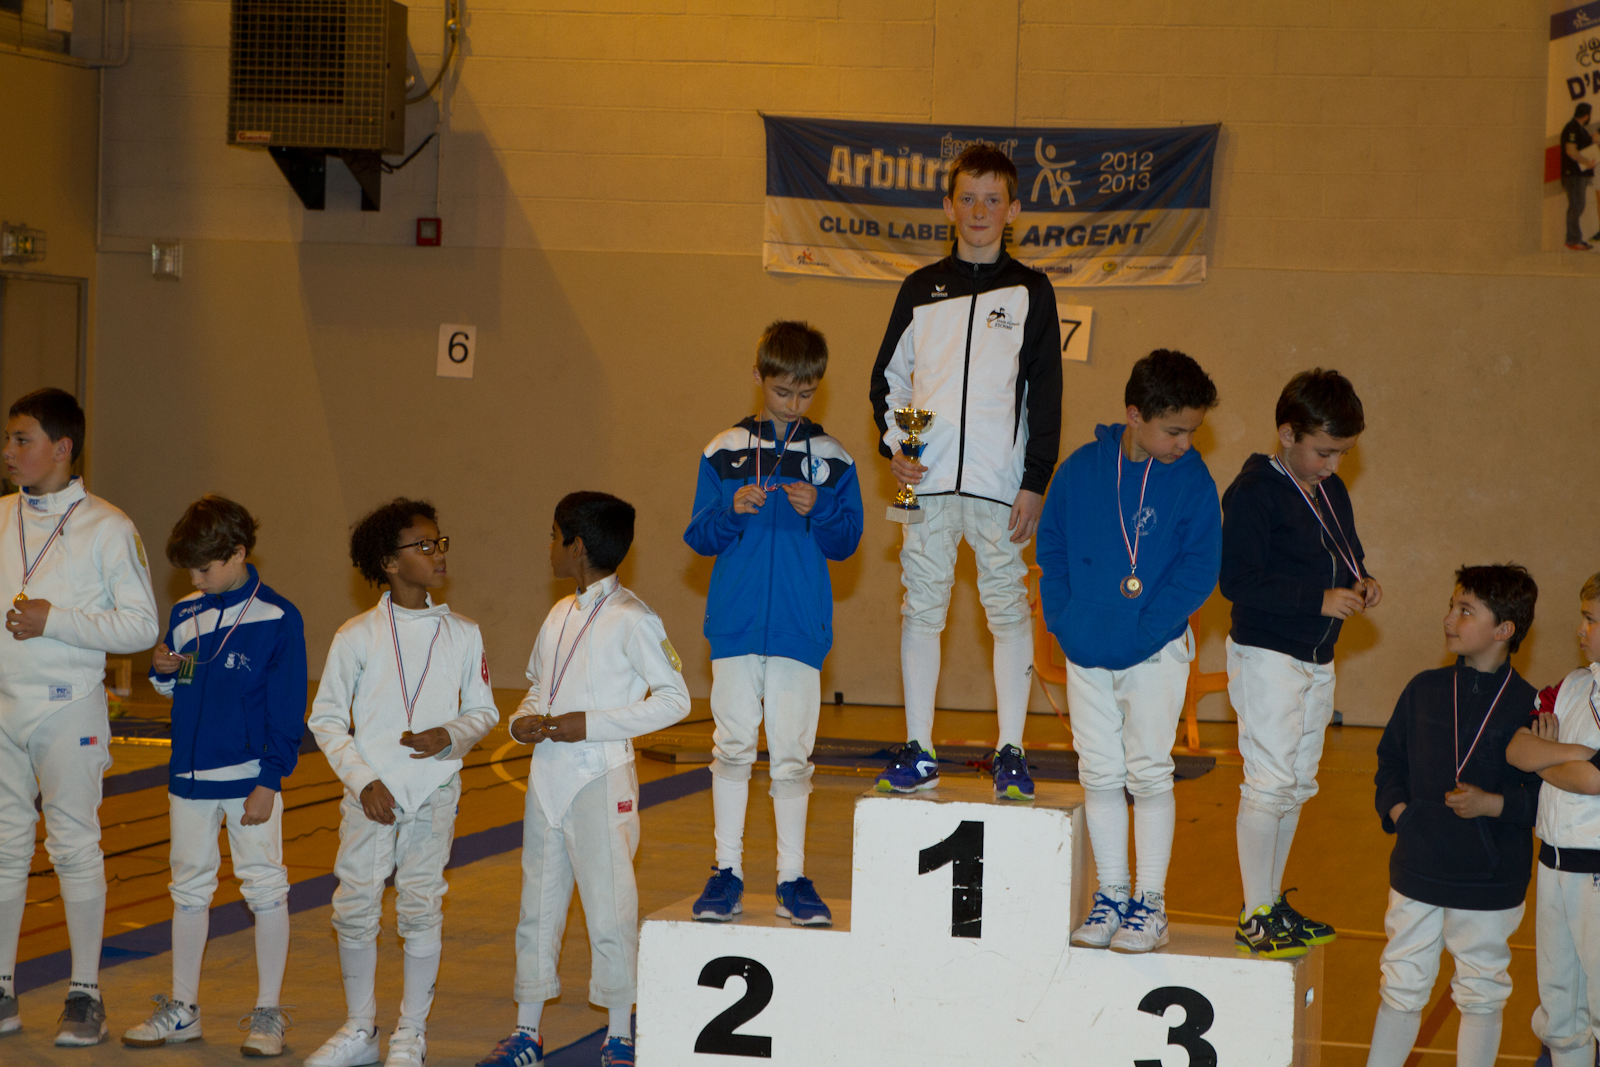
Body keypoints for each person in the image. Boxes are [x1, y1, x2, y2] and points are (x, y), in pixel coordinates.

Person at [868, 143, 1062, 800]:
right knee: (921, 605)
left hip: (1000, 486)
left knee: (1006, 607)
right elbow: (888, 380)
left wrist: (1034, 479)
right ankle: (919, 748)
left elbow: (1046, 393)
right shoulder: (918, 289)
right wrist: (898, 447)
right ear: (949, 207)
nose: (980, 211)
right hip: (922, 484)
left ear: (1013, 209)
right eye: (968, 199)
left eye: (993, 199)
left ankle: (1012, 750)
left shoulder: (1032, 291)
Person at [477, 493, 689, 1067]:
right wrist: (523, 720)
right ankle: (526, 1032)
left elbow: (675, 699)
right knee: (537, 908)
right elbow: (539, 687)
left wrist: (588, 724)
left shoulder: (635, 618)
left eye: (553, 536)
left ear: (577, 546)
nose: (547, 547)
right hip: (547, 780)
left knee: (610, 907)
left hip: (601, 778)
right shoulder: (558, 615)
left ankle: (620, 1035)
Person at [1036, 349, 1221, 953]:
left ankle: (1151, 904)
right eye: (1174, 431)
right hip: (1086, 647)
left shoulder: (1193, 481)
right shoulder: (1080, 469)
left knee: (1148, 771)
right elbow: (1051, 547)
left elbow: (1199, 571)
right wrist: (1065, 621)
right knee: (1099, 771)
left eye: (1192, 432)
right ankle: (1112, 894)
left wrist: (1146, 631)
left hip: (1155, 652)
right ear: (1135, 415)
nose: (1185, 444)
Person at [305, 499, 498, 1067]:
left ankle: (411, 1033)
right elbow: (326, 719)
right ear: (389, 563)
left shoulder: (463, 633)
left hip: (433, 793)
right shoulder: (356, 635)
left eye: (441, 543)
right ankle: (360, 1028)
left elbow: (484, 711)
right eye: (424, 546)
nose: (438, 554)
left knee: (420, 907)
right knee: (355, 907)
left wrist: (450, 734)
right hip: (372, 798)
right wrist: (363, 781)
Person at [683, 321, 862, 926]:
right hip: (735, 625)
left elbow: (847, 543)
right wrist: (730, 510)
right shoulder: (724, 449)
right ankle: (725, 871)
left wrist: (825, 507)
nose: (793, 404)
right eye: (783, 391)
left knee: (791, 756)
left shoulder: (833, 458)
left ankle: (791, 878)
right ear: (758, 377)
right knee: (732, 747)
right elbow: (699, 535)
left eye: (806, 394)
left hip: (798, 629)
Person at [0, 388, 160, 1045]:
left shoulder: (108, 526)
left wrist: (54, 620)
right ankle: (3, 989)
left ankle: (85, 992)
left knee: (73, 845)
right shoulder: (1, 516)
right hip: (3, 710)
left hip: (69, 709)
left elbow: (141, 625)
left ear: (62, 447)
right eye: (9, 439)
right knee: (5, 847)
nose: (9, 451)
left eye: (22, 439)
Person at [122, 496, 307, 1055]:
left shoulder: (278, 617)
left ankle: (268, 1013)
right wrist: (161, 672)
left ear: (238, 553)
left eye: (204, 569)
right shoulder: (185, 612)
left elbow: (287, 710)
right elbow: (177, 687)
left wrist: (270, 780)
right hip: (188, 778)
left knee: (265, 888)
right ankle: (183, 1010)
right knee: (187, 890)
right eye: (190, 572)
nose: (195, 580)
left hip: (249, 780)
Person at [1220, 368, 1380, 956]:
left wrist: (1362, 581)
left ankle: (1270, 903)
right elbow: (1237, 580)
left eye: (1342, 454)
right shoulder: (1254, 492)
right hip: (1267, 654)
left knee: (1295, 785)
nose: (1333, 465)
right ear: (1287, 434)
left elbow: (1346, 553)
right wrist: (1318, 599)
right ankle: (1254, 913)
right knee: (1267, 784)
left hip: (1317, 657)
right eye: (1323, 452)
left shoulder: (1329, 491)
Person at [1367, 566, 1540, 1067]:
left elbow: (1544, 797)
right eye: (1451, 607)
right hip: (1419, 868)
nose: (1449, 619)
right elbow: (1389, 761)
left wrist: (1494, 805)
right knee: (1401, 984)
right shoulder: (1424, 688)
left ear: (1503, 629)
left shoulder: (1530, 706)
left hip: (1491, 878)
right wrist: (1402, 814)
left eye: (1465, 611)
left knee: (1482, 991)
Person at [1506, 572, 1600, 1067]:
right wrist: (1572, 757)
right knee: (1560, 1013)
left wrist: (1548, 758)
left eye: (1591, 619)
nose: (1580, 630)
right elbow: (1517, 748)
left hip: (1595, 871)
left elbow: (1593, 780)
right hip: (1552, 866)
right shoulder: (1571, 685)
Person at [1560, 102, 1595, 251]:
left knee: (1578, 205)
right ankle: (1573, 239)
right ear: (1586, 115)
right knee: (1575, 205)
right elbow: (1571, 151)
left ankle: (1574, 238)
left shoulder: (1581, 130)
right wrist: (1586, 162)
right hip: (1573, 174)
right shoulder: (1572, 128)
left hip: (1580, 174)